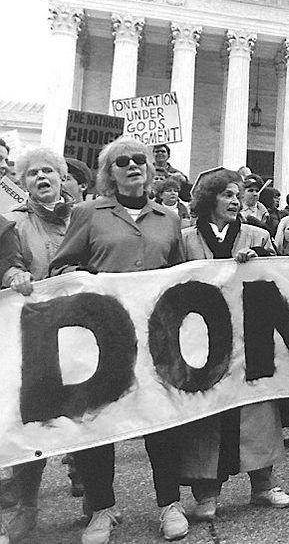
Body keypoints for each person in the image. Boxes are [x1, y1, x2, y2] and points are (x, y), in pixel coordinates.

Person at [49, 137, 188, 543]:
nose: (133, 166)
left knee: (162, 418)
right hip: (103, 334)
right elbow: (63, 267)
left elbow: (178, 273)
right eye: (123, 162)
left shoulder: (168, 218)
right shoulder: (88, 213)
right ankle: (102, 509)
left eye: (139, 160)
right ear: (110, 172)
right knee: (101, 418)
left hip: (155, 335)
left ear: (150, 169)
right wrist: (90, 283)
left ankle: (169, 503)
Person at [177, 169, 289, 520]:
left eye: (238, 195)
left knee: (256, 408)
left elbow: (280, 276)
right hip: (202, 339)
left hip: (249, 335)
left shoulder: (257, 234)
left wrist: (259, 263)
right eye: (227, 194)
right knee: (208, 413)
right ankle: (206, 492)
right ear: (209, 198)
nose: (235, 200)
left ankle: (263, 483)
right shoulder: (185, 239)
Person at [0, 148, 75, 542]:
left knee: (86, 416)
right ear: (23, 182)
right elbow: (8, 261)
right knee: (34, 421)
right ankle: (22, 508)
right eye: (33, 174)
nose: (42, 177)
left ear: (62, 177)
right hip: (35, 336)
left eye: (49, 171)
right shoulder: (13, 222)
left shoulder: (84, 216)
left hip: (79, 331)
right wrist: (15, 275)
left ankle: (99, 503)